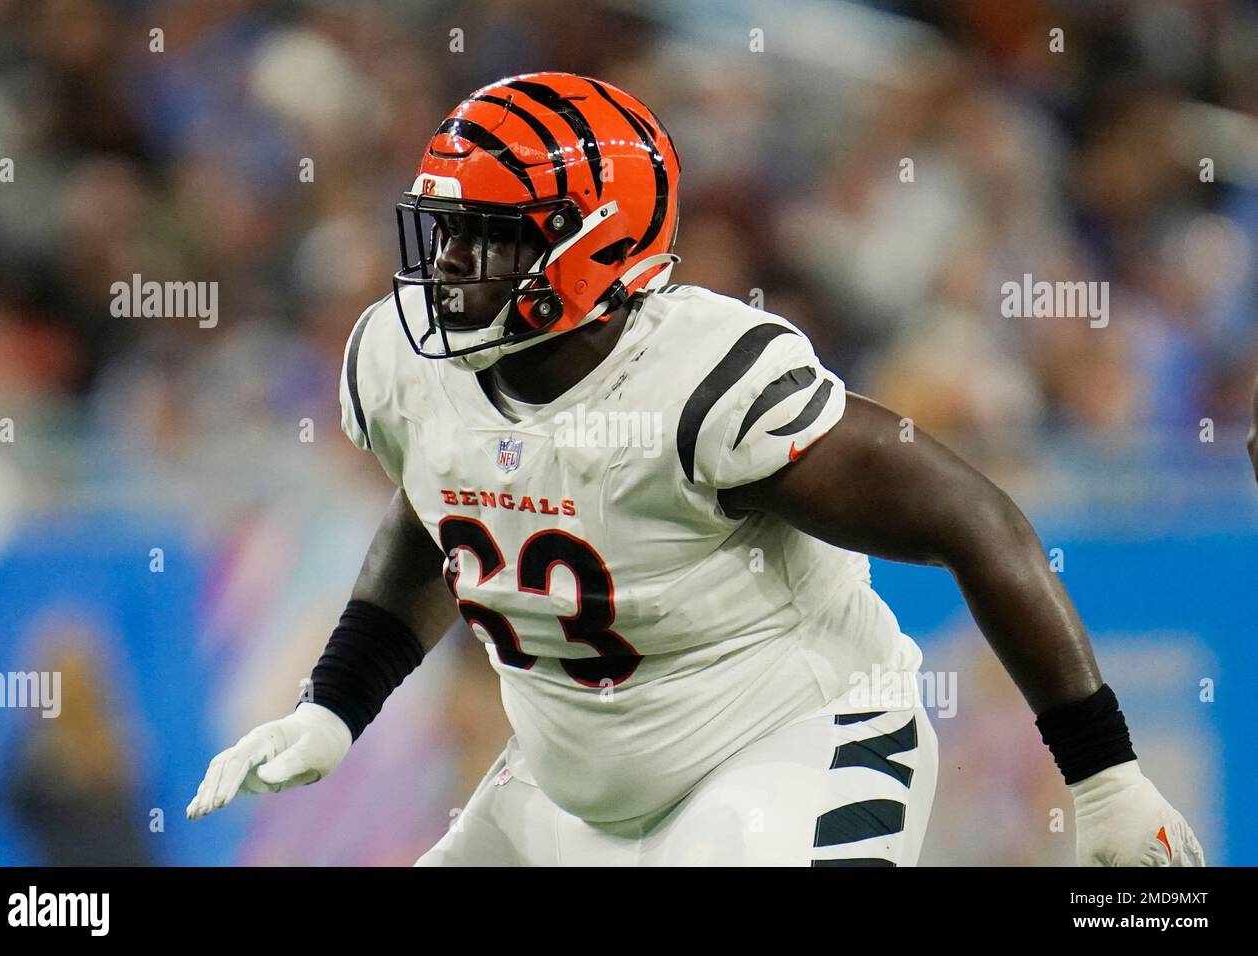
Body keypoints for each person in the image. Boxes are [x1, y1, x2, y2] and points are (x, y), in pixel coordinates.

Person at [187, 72, 1203, 867]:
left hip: (784, 750)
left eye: (485, 237)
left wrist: (1102, 770)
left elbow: (972, 521)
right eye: (442, 228)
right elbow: (445, 509)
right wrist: (336, 701)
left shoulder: (699, 385)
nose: (446, 262)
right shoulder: (406, 366)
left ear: (595, 246)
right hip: (566, 791)